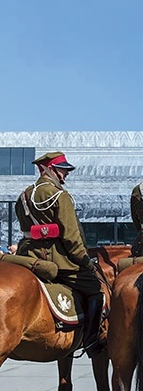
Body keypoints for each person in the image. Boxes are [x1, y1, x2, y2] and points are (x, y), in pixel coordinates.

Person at [15, 151, 104, 358]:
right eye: (62, 169)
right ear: (48, 169)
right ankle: (91, 341)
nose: (65, 174)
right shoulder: (59, 196)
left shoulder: (23, 196)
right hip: (57, 260)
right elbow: (71, 238)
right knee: (95, 289)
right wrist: (84, 260)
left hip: (26, 257)